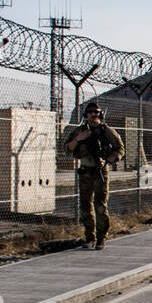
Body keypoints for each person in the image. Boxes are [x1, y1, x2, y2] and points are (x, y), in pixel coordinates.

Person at [65, 101, 124, 249]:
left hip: (100, 171)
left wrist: (107, 160)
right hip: (85, 170)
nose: (94, 115)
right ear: (86, 115)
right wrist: (79, 138)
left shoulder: (106, 131)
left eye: (96, 112)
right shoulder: (80, 131)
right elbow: (67, 148)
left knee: (100, 205)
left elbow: (120, 149)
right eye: (91, 112)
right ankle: (89, 237)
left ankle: (101, 237)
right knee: (85, 206)